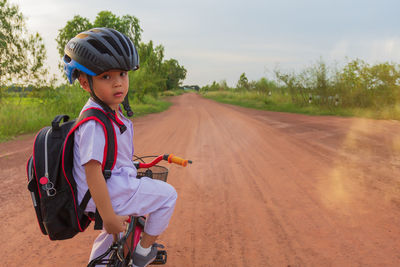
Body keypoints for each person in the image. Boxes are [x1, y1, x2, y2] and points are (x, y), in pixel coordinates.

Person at [63, 27, 177, 267]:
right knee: (167, 196)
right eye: (106, 77)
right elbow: (93, 172)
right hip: (106, 194)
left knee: (113, 234)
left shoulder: (108, 112)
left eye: (122, 74)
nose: (118, 83)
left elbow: (110, 157)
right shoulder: (95, 122)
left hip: (109, 190)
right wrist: (107, 215)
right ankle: (143, 254)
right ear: (85, 82)